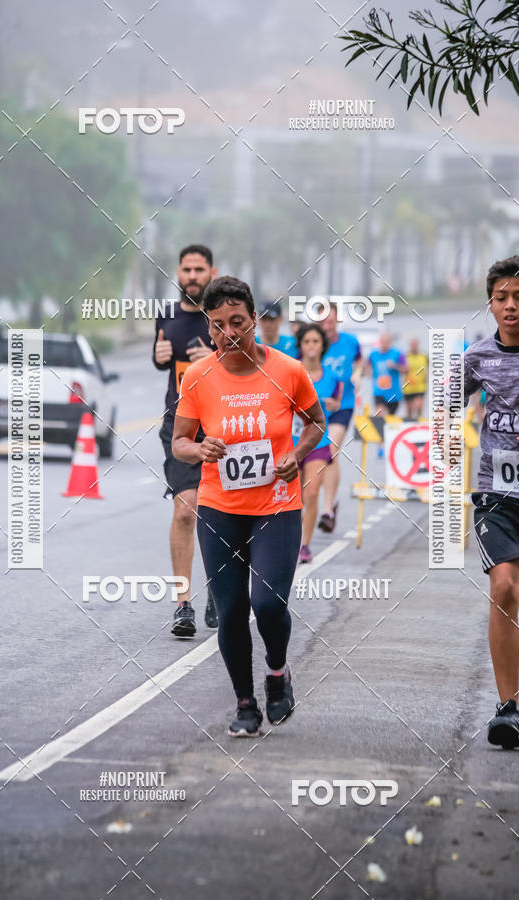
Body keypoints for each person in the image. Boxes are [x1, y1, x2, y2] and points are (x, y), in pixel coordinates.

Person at [172, 276, 325, 737]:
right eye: (217, 325)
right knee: (232, 609)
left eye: (237, 322)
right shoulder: (198, 377)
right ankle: (245, 703)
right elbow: (180, 441)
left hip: (276, 506)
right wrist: (199, 451)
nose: (228, 333)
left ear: (254, 320)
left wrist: (295, 456)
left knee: (268, 603)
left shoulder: (287, 370)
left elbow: (317, 423)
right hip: (219, 509)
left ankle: (277, 673)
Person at [464, 256, 519, 749]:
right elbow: (443, 408)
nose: (509, 307)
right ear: (490, 304)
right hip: (497, 494)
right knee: (504, 587)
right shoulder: (475, 358)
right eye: (501, 298)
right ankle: (508, 708)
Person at [153, 244, 218, 637]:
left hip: (222, 429)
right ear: (178, 272)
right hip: (178, 427)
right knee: (185, 510)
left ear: (211, 272)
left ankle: (219, 591)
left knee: (219, 516)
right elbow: (162, 359)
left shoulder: (222, 318)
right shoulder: (166, 316)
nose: (192, 276)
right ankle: (183, 604)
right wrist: (159, 356)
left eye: (199, 269)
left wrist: (211, 357)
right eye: (187, 269)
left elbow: (245, 363)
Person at [292, 323, 342, 563]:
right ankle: (289, 540)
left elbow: (338, 405)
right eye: (307, 341)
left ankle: (304, 545)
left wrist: (333, 406)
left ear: (323, 346)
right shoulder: (292, 373)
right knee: (295, 499)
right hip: (291, 443)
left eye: (316, 341)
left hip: (319, 443)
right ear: (300, 346)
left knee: (311, 493)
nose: (311, 346)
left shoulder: (332, 378)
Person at [317, 304, 362, 533]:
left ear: (337, 321)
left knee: (330, 451)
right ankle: (325, 501)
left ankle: (328, 509)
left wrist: (358, 374)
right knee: (315, 458)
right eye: (323, 322)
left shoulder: (350, 342)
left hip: (343, 405)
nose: (327, 326)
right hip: (317, 408)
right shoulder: (314, 344)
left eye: (331, 321)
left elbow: (360, 361)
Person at [368, 332, 408, 416]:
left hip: (394, 393)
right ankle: (380, 428)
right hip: (379, 391)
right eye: (382, 341)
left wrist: (395, 366)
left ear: (390, 342)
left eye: (386, 342)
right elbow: (366, 366)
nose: (384, 344)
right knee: (380, 413)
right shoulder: (373, 354)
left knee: (390, 419)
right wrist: (368, 372)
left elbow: (406, 370)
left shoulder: (397, 353)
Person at [403, 337, 429, 419]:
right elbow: (401, 369)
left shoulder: (424, 356)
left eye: (415, 344)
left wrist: (427, 375)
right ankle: (409, 423)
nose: (414, 346)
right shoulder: (405, 356)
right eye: (412, 345)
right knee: (409, 411)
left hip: (420, 386)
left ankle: (419, 422)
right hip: (408, 387)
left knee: (418, 406)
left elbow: (429, 367)